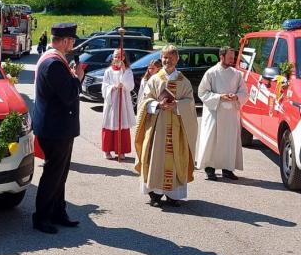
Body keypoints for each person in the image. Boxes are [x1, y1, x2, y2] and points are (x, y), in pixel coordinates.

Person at [32, 22, 84, 234]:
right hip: (56, 129)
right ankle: (42, 217)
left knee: (59, 174)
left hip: (56, 127)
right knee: (53, 174)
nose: (73, 44)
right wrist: (77, 78)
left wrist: (71, 77)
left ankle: (58, 212)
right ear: (64, 41)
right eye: (72, 40)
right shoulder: (53, 63)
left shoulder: (53, 60)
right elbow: (69, 95)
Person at [134, 45, 198, 207]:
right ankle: (155, 195)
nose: (166, 60)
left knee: (176, 159)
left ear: (177, 59)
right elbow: (144, 102)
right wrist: (157, 105)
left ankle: (172, 195)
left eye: (170, 57)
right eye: (164, 57)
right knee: (156, 158)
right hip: (158, 128)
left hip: (177, 129)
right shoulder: (155, 79)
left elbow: (190, 103)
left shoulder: (184, 82)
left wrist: (177, 105)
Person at [196, 46, 248, 181]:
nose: (232, 59)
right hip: (214, 113)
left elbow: (244, 92)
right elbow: (202, 92)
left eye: (233, 57)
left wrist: (236, 97)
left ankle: (227, 169)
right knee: (211, 141)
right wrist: (219, 97)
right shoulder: (211, 73)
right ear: (222, 56)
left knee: (229, 142)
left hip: (230, 114)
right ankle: (210, 169)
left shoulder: (237, 74)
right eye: (230, 57)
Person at [101, 49, 136, 160]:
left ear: (124, 58)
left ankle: (121, 151)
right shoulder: (108, 71)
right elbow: (104, 87)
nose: (117, 59)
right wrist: (113, 87)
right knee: (110, 124)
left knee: (122, 124)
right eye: (115, 56)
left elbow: (130, 86)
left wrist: (124, 73)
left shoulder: (128, 71)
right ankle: (107, 151)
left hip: (123, 102)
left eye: (119, 56)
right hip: (112, 101)